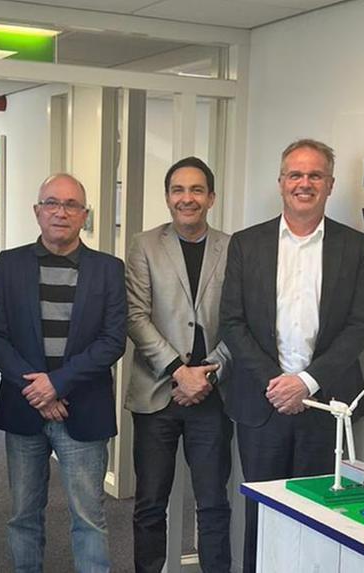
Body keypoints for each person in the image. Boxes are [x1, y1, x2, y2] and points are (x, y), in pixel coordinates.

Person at [219, 139, 364, 573]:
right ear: (281, 182)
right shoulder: (247, 244)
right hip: (262, 404)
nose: (304, 183)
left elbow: (360, 326)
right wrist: (278, 383)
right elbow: (231, 322)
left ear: (330, 184)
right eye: (295, 174)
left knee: (318, 520)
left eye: (315, 175)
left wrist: (305, 382)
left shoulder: (355, 247)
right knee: (262, 517)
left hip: (324, 406)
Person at [0, 173, 127, 573]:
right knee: (23, 514)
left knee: (89, 517)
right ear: (37, 211)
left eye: (70, 205)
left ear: (84, 215)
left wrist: (57, 384)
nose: (60, 212)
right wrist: (38, 390)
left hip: (83, 409)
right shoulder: (10, 264)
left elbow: (113, 340)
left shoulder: (108, 269)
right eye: (51, 203)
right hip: (24, 407)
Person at [125, 157, 233, 573]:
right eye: (178, 190)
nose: (187, 198)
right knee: (150, 503)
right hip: (158, 393)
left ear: (211, 198)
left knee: (213, 503)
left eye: (196, 190)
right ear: (168, 197)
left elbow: (240, 320)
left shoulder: (233, 247)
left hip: (212, 394)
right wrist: (178, 371)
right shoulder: (144, 245)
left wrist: (208, 374)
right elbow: (135, 316)